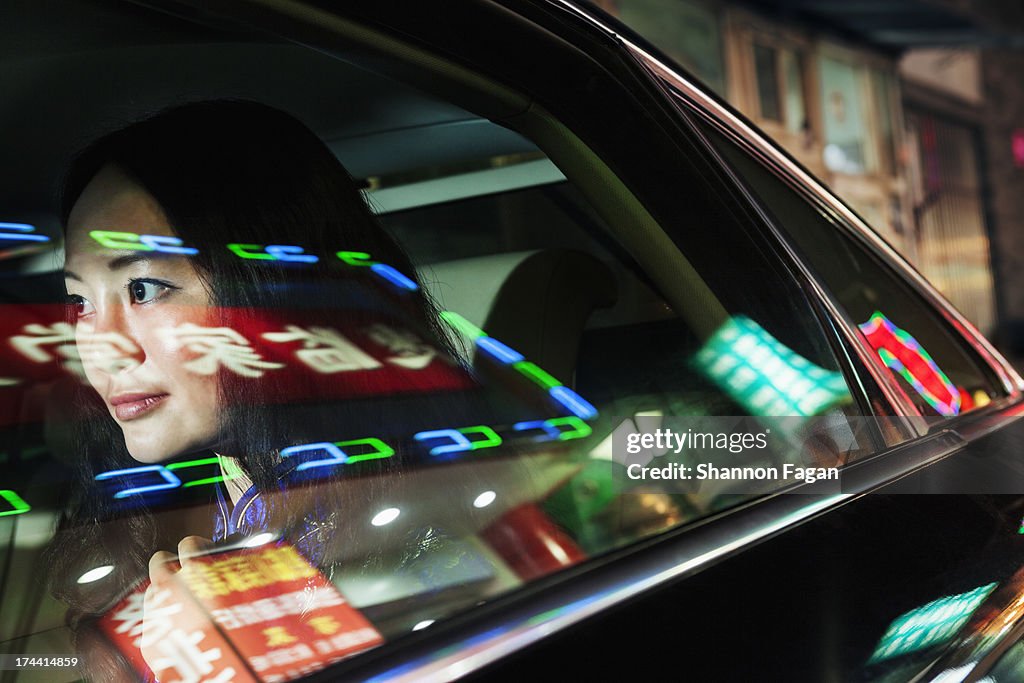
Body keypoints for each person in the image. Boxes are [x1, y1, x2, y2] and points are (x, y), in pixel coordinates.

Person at [43, 100, 468, 659]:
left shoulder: (435, 518)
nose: (103, 348)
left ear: (279, 289)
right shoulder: (184, 501)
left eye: (144, 288)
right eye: (81, 301)